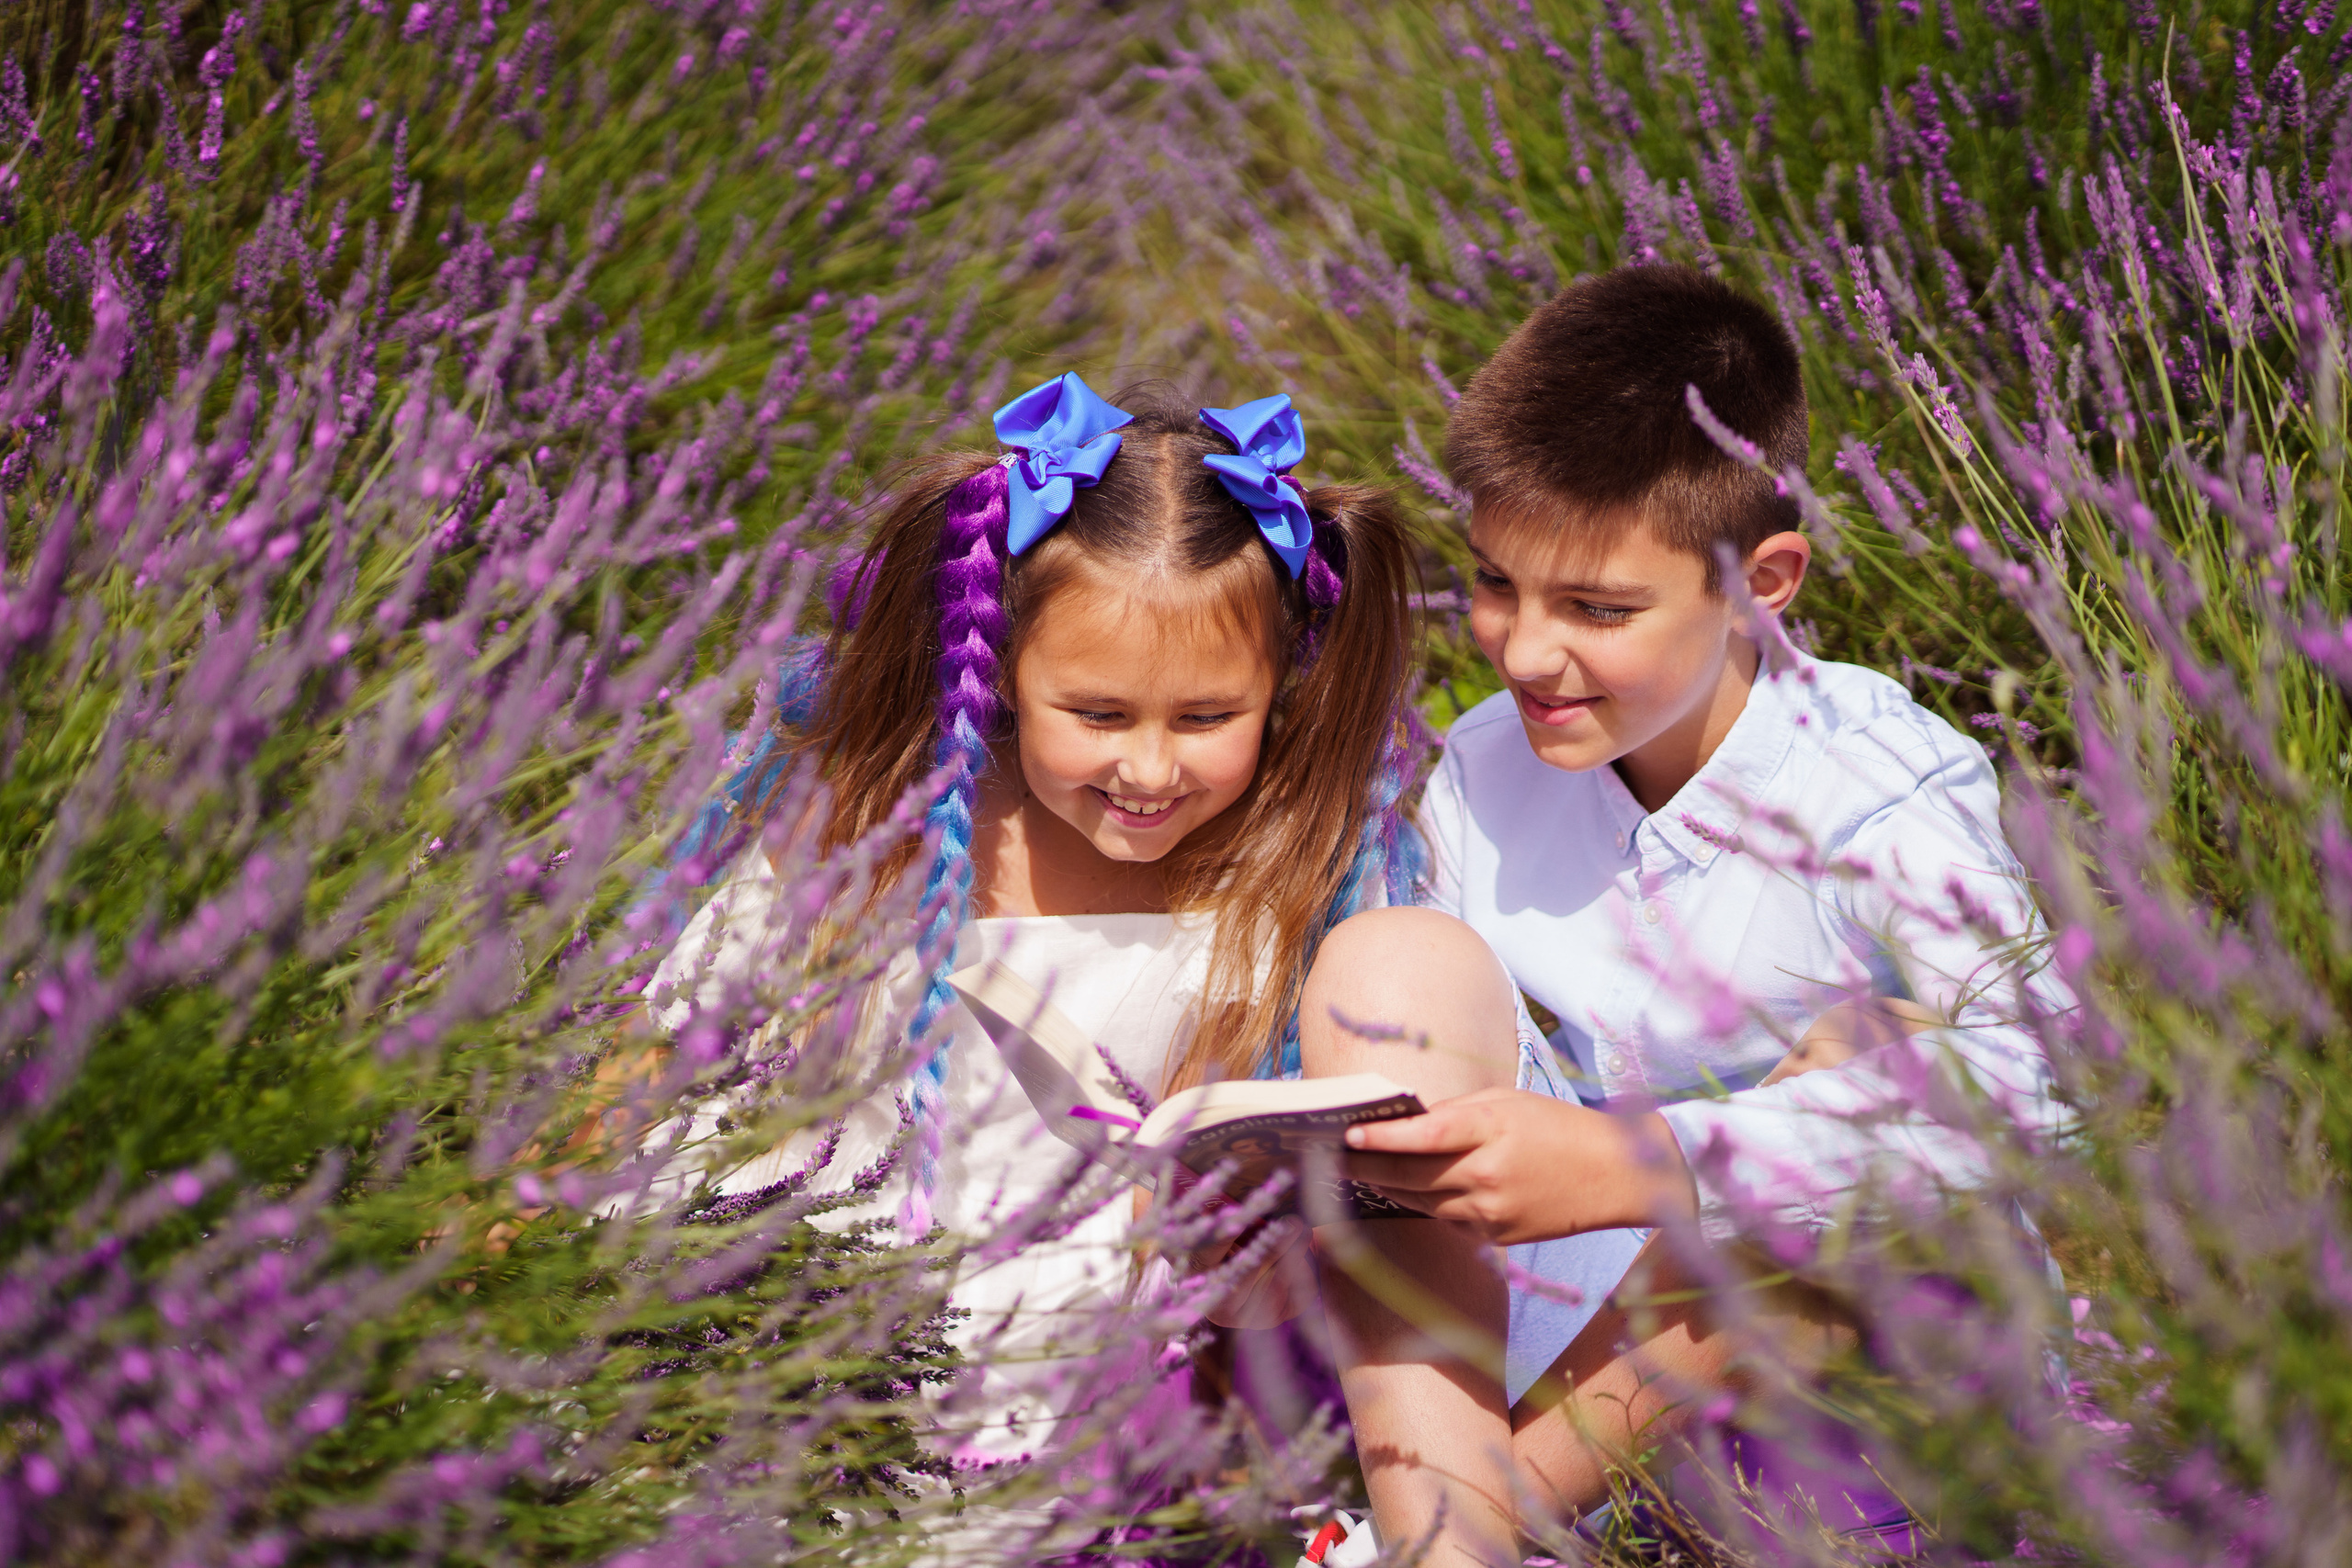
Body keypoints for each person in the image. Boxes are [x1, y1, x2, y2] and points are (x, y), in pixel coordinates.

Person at [1265, 265, 2072, 1563]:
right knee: (1388, 956)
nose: (1527, 650)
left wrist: (1641, 1161)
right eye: (1494, 584)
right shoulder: (1482, 764)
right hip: (1576, 1315)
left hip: (1842, 1341)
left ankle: (1457, 1527)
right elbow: (1475, 1056)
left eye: (1596, 608)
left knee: (1876, 1053)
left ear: (1763, 581)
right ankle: (1463, 1520)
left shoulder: (1881, 781)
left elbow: (2037, 1088)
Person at [637, 373, 1422, 1513]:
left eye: (1206, 719)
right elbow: (682, 1063)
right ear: (1002, 667)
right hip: (826, 1320)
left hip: (1112, 1381)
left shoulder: (1290, 868)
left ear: (1282, 683)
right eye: (1096, 715)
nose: (1148, 771)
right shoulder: (878, 820)